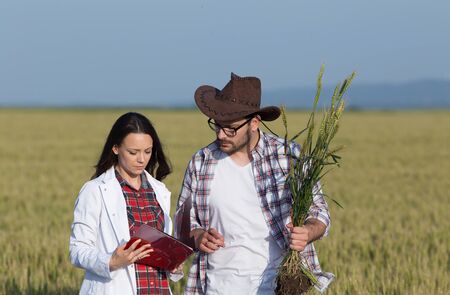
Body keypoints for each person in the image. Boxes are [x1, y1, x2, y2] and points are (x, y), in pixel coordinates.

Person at [175, 73, 334, 295]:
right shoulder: (200, 162)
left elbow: (319, 212)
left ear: (254, 123)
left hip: (276, 287)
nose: (221, 134)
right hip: (215, 287)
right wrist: (199, 236)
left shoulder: (289, 156)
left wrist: (307, 232)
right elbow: (183, 224)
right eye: (217, 125)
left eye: (230, 128)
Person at [70, 112, 181, 295]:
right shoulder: (95, 190)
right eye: (133, 152)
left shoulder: (159, 191)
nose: (141, 160)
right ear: (115, 148)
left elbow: (159, 251)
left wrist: (173, 264)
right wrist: (111, 261)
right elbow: (77, 250)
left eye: (147, 151)